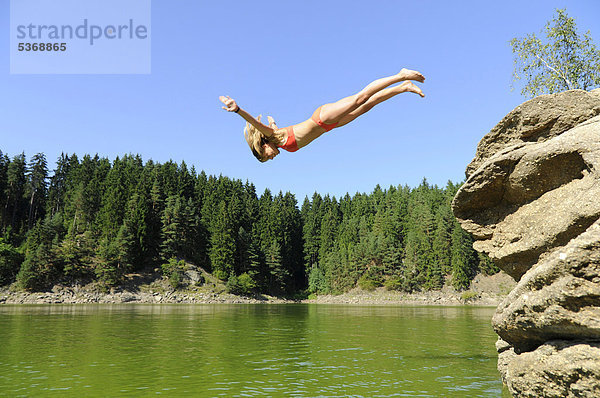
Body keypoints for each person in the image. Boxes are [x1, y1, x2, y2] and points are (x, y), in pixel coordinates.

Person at [219, 68, 425, 162]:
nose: (272, 158)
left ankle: (400, 75)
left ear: (263, 146)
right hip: (329, 126)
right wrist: (274, 121)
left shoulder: (271, 135)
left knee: (360, 98)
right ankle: (403, 88)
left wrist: (237, 110)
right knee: (366, 107)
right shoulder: (278, 139)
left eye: (267, 157)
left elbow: (252, 121)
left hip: (322, 118)